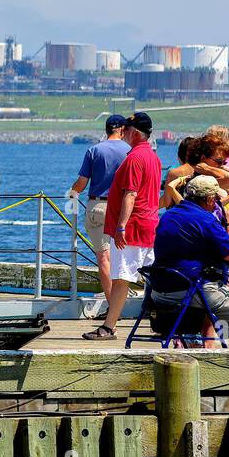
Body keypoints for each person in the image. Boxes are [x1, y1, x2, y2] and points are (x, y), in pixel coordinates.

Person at [152, 175, 229, 347]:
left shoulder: (169, 215)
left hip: (160, 290)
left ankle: (206, 346)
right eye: (216, 198)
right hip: (190, 290)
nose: (217, 201)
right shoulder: (205, 219)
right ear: (209, 199)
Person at [84, 112, 162, 340]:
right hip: (149, 224)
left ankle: (109, 327)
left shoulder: (134, 158)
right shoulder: (154, 158)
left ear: (135, 133)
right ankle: (161, 321)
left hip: (134, 228)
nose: (123, 132)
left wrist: (121, 227)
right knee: (149, 277)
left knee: (120, 279)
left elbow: (130, 194)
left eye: (127, 129)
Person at [67, 115, 130, 300]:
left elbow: (81, 183)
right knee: (122, 259)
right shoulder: (130, 151)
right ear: (121, 130)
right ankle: (122, 300)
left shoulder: (94, 150)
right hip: (123, 207)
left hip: (98, 205)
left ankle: (112, 305)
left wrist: (72, 192)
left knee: (103, 258)